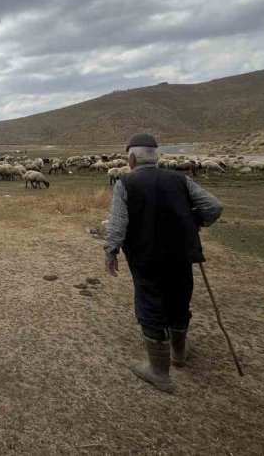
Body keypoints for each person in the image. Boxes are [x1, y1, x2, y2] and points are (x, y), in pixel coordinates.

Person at [104, 133, 223, 394]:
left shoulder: (126, 183)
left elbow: (117, 224)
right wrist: (198, 222)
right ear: (156, 157)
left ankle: (159, 371)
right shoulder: (180, 179)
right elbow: (213, 207)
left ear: (132, 158)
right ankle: (179, 352)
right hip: (182, 255)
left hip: (146, 257)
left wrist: (111, 251)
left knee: (149, 303)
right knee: (180, 298)